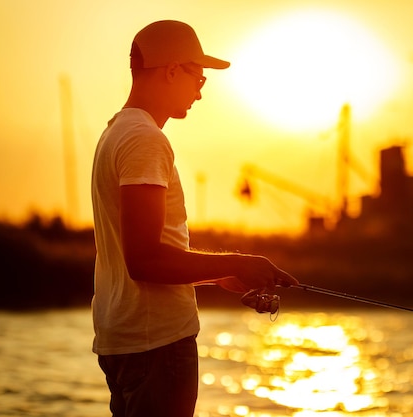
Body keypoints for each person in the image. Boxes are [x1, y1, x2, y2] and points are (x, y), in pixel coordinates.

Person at [90, 20, 298, 417]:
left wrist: (216, 275)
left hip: (126, 342)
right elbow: (144, 261)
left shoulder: (115, 132)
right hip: (158, 347)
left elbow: (142, 252)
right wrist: (238, 261)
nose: (200, 92)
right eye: (199, 78)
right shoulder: (146, 140)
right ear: (171, 71)